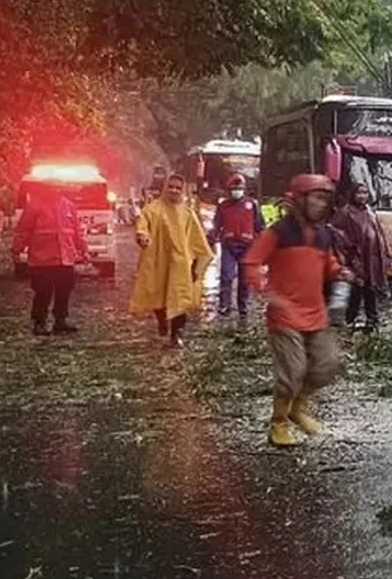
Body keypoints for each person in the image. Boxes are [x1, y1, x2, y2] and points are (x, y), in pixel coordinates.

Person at [243, 174, 353, 446]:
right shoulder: (277, 233)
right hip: (285, 316)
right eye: (316, 198)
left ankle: (297, 408)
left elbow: (328, 265)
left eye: (324, 199)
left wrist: (341, 273)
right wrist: (265, 291)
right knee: (293, 371)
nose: (320, 204)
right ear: (299, 199)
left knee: (329, 364)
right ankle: (278, 422)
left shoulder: (323, 235)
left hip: (316, 313)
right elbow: (251, 263)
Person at [129, 174, 214, 348]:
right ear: (165, 188)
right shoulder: (152, 209)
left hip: (181, 263)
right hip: (157, 261)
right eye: (171, 186)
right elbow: (142, 226)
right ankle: (162, 320)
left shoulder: (187, 213)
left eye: (177, 188)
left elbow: (198, 240)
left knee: (180, 298)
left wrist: (197, 264)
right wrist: (142, 236)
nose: (174, 190)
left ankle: (176, 334)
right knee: (158, 295)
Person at [11, 183, 88, 335]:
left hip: (64, 258)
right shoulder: (34, 206)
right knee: (42, 292)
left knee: (64, 291)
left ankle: (61, 321)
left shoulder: (69, 206)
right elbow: (24, 230)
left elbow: (77, 231)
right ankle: (39, 322)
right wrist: (16, 249)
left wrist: (83, 249)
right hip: (42, 259)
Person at [330, 182, 391, 330]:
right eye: (359, 193)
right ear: (353, 194)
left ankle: (372, 320)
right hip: (355, 258)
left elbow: (379, 235)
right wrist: (349, 256)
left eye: (365, 193)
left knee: (371, 290)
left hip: (371, 258)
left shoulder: (370, 212)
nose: (362, 196)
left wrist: (386, 255)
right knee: (356, 291)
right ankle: (350, 320)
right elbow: (338, 234)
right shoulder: (345, 212)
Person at [209, 174, 266, 317]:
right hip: (229, 245)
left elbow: (259, 225)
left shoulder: (252, 205)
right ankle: (224, 305)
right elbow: (217, 224)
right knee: (226, 276)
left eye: (239, 188)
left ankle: (243, 306)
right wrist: (211, 237)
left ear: (244, 189)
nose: (236, 191)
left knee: (244, 279)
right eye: (234, 188)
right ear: (229, 190)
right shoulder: (223, 206)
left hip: (247, 246)